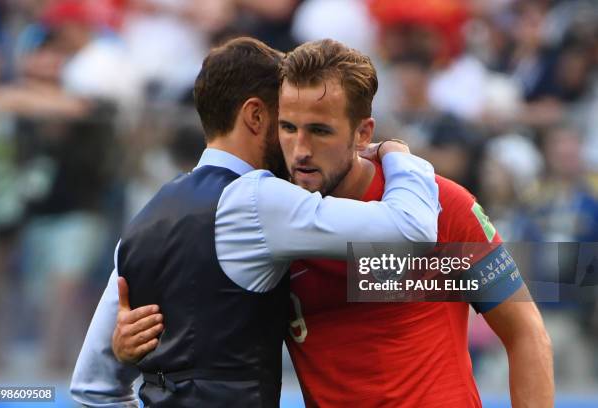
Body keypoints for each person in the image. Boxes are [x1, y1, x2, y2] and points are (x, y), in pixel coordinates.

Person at [114, 39, 554, 407]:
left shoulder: (442, 206)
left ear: (363, 134)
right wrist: (125, 346)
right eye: (288, 128)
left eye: (320, 131)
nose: (300, 149)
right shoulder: (264, 227)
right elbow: (201, 320)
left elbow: (525, 334)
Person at [70, 37, 440, 407]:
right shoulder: (258, 200)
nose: (298, 144)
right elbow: (412, 229)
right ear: (256, 116)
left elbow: (94, 388)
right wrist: (399, 155)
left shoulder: (144, 221)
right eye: (287, 123)